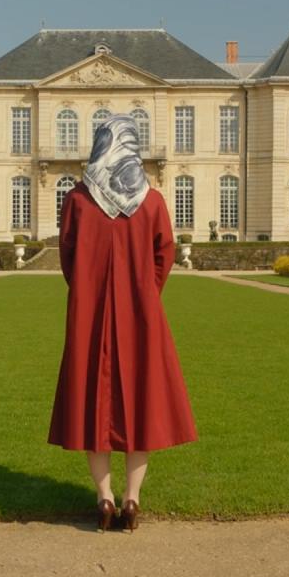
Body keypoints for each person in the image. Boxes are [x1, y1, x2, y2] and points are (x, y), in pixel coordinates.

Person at [47, 114, 198, 533]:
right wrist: (144, 292)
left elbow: (68, 256)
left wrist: (87, 290)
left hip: (89, 313)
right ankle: (132, 499)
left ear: (100, 144)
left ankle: (105, 498)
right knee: (142, 400)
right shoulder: (152, 201)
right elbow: (164, 254)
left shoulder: (78, 200)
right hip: (141, 314)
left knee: (92, 401)